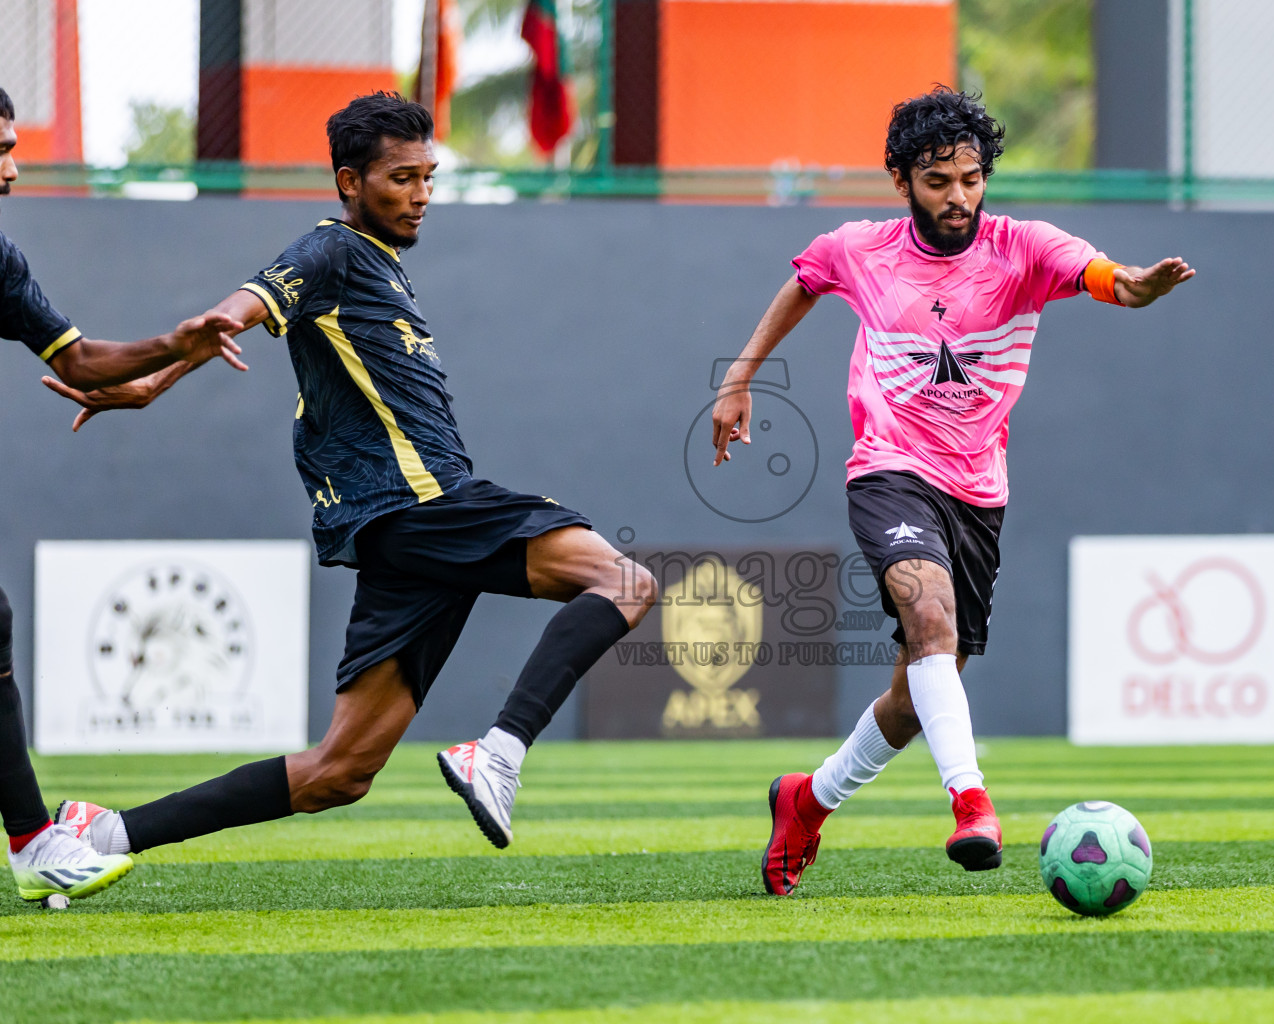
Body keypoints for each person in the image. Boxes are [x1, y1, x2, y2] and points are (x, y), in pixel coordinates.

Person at [52, 92, 655, 861]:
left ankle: (102, 834)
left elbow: (245, 324)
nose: (421, 195)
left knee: (338, 772)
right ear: (348, 181)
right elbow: (240, 309)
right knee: (626, 584)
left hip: (399, 533)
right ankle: (499, 752)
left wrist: (151, 384)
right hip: (426, 504)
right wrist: (180, 344)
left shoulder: (378, 265)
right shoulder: (331, 251)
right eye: (401, 178)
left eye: (429, 177)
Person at [711, 87, 1195, 895]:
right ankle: (972, 803)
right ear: (901, 180)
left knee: (914, 694)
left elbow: (1099, 274)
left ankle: (807, 799)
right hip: (890, 467)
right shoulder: (859, 249)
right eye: (939, 181)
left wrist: (1135, 286)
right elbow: (804, 279)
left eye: (972, 178)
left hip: (978, 491)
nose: (960, 197)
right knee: (927, 612)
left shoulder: (1024, 247)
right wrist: (740, 376)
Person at [0, 86, 244, 901]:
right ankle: (34, 841)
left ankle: (34, 840)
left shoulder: (2, 263)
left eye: (13, 143)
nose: (15, 163)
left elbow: (77, 362)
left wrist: (168, 350)